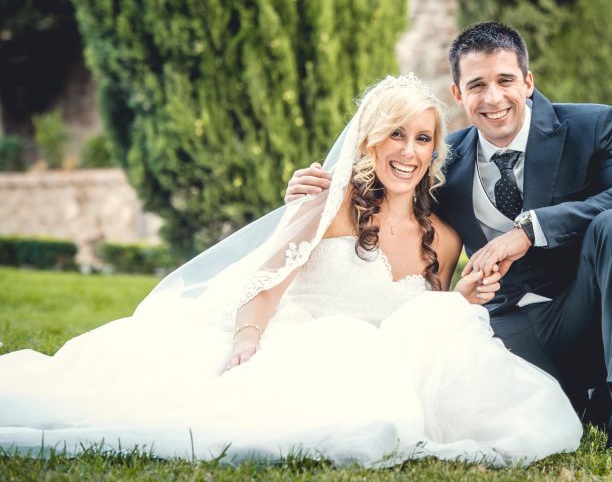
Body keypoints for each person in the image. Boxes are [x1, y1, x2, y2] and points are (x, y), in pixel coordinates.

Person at [0, 74, 582, 467]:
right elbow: (264, 283)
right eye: (395, 135)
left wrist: (466, 296)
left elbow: (426, 326)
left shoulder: (446, 239)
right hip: (303, 342)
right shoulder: (325, 206)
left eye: (423, 138)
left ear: (435, 150)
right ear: (369, 142)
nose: (408, 151)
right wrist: (247, 342)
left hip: (378, 367)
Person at [286, 22, 612, 463]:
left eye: (505, 80)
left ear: (528, 82)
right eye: (477, 85)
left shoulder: (590, 126)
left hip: (581, 311)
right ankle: (579, 397)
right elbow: (389, 190)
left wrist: (529, 231)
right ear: (459, 94)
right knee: (462, 397)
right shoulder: (445, 158)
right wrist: (319, 192)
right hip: (503, 327)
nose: (494, 98)